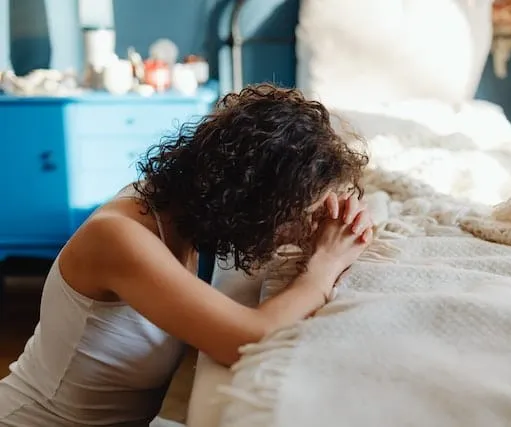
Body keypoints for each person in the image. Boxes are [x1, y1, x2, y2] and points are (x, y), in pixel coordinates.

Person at [0, 84, 373, 426]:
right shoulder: (118, 236)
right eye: (300, 215)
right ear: (253, 198)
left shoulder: (186, 213)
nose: (304, 230)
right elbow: (246, 341)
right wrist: (324, 264)